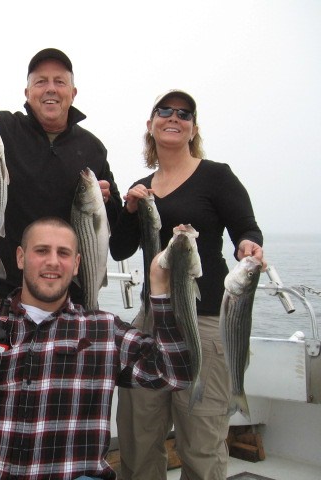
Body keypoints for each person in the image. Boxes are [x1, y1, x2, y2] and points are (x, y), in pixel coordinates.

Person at [0, 164, 192, 480]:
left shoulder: (103, 331)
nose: (52, 261)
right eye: (41, 250)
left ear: (76, 265)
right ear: (20, 258)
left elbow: (174, 371)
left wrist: (162, 291)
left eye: (63, 253)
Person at [111, 89, 265, 480]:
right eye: (165, 111)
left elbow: (246, 229)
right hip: (151, 322)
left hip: (206, 319)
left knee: (200, 443)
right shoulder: (141, 187)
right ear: (151, 124)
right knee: (138, 437)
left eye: (184, 113)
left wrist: (249, 246)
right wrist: (129, 209)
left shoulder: (216, 176)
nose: (174, 117)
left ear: (193, 128)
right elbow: (120, 249)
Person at [0, 48, 122, 303]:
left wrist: (107, 203)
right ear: (27, 93)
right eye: (40, 82)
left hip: (65, 296)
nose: (50, 89)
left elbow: (118, 238)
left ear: (72, 93)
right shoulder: (0, 129)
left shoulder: (93, 149)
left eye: (59, 81)